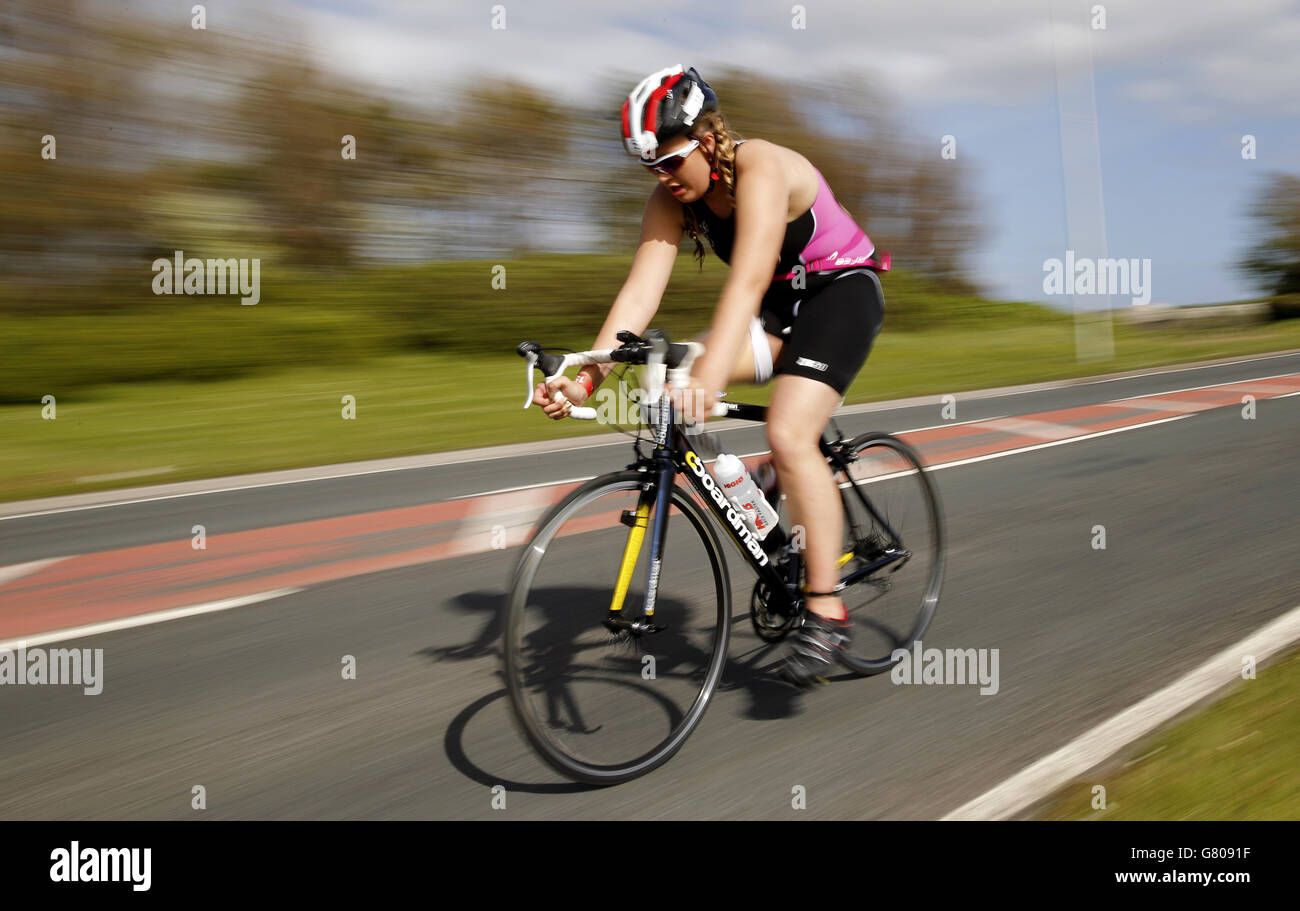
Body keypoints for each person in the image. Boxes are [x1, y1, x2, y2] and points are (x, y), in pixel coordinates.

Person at [532, 64, 887, 688]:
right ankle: (771, 485)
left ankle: (827, 610)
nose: (662, 177)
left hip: (839, 293)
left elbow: (747, 280)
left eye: (669, 160)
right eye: (649, 167)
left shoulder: (762, 168)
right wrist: (588, 376)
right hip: (781, 313)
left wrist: (715, 370)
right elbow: (639, 296)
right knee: (669, 371)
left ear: (707, 134)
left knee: (788, 428)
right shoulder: (670, 198)